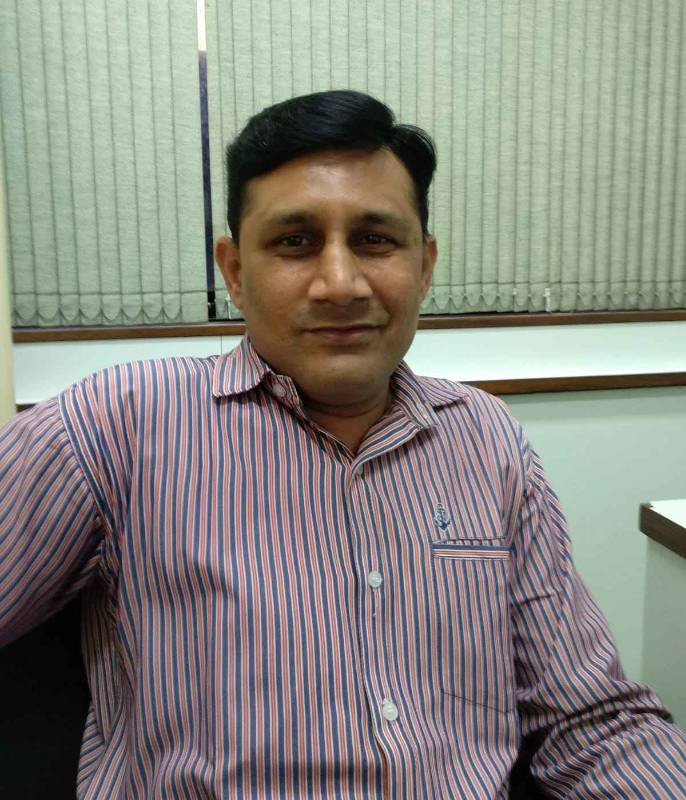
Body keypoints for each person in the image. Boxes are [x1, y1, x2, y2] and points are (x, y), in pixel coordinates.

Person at [1, 89, 685, 799]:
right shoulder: (118, 426)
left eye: (374, 240)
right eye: (295, 242)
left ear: (424, 264)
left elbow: (592, 720)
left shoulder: (487, 440)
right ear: (234, 271)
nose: (340, 284)